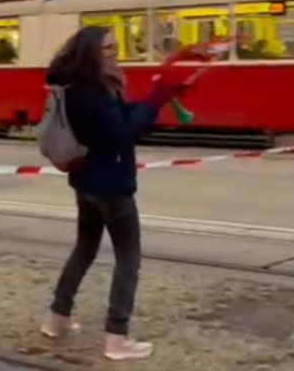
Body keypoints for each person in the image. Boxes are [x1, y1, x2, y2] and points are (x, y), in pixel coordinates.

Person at [40, 26, 188, 361]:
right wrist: (154, 100)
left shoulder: (78, 85)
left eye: (115, 46)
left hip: (87, 181)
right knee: (128, 258)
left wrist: (155, 100)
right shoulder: (89, 91)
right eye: (108, 48)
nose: (115, 52)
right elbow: (120, 133)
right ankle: (116, 337)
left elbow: (120, 120)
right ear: (90, 51)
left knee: (85, 249)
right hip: (110, 184)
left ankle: (56, 319)